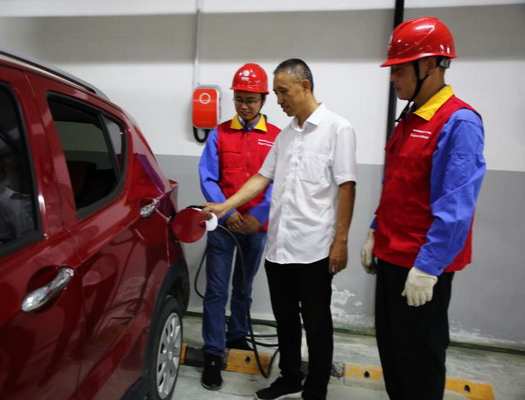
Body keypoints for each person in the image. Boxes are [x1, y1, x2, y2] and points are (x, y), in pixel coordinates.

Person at [205, 58, 357, 400]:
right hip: (279, 248)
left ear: (305, 86)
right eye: (275, 93)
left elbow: (347, 186)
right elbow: (262, 177)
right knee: (285, 320)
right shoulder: (286, 135)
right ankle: (290, 378)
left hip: (314, 248)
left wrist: (341, 240)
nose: (278, 100)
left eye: (283, 92)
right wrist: (225, 206)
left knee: (316, 325)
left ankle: (315, 390)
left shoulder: (338, 129)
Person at [360, 17, 486, 400]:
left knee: (420, 362)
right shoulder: (411, 117)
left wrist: (429, 268)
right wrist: (375, 229)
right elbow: (398, 184)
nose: (393, 78)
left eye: (399, 69)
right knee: (393, 353)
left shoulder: (458, 122)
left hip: (420, 267)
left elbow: (456, 207)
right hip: (392, 256)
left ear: (428, 65)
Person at [198, 62, 281, 390]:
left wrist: (258, 214)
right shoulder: (219, 133)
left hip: (255, 227)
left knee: (244, 287)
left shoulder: (275, 137)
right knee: (217, 289)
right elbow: (208, 177)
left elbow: (277, 182)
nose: (244, 106)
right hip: (223, 225)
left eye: (251, 100)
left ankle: (237, 335)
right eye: (239, 100)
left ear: (263, 100)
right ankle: (213, 353)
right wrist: (227, 211)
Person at [0, 152, 35, 243]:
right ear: (4, 172)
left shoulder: (40, 191)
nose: (22, 171)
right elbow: (6, 239)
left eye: (23, 167)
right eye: (16, 168)